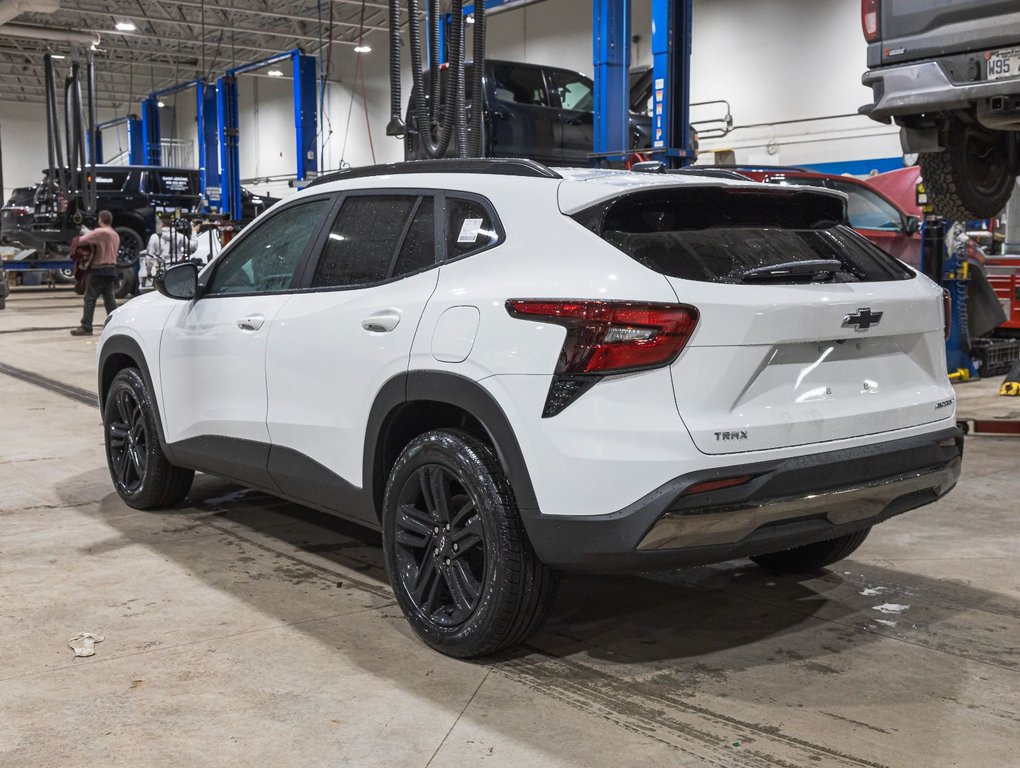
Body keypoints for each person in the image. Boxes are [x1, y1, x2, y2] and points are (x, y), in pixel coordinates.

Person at [70, 210, 120, 337]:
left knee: (90, 298)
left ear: (100, 220)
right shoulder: (115, 234)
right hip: (111, 269)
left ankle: (86, 326)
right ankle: (116, 324)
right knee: (109, 299)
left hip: (98, 270)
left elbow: (81, 241)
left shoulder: (100, 232)